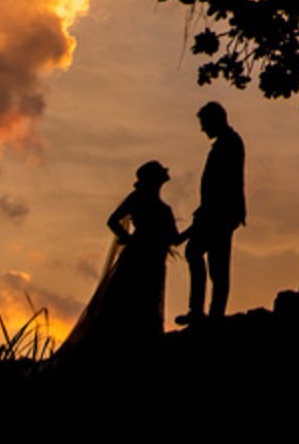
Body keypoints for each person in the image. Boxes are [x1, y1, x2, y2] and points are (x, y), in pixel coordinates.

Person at [53, 160, 178, 365]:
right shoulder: (150, 204)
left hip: (149, 259)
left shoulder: (156, 206)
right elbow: (113, 220)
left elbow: (173, 238)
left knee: (144, 298)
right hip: (141, 258)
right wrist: (129, 239)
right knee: (129, 297)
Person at [179, 101, 246, 326]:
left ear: (215, 120)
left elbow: (225, 185)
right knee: (207, 259)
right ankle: (204, 311)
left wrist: (207, 213)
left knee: (210, 261)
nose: (202, 129)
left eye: (204, 123)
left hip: (220, 213)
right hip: (217, 212)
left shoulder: (229, 143)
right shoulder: (226, 143)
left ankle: (207, 313)